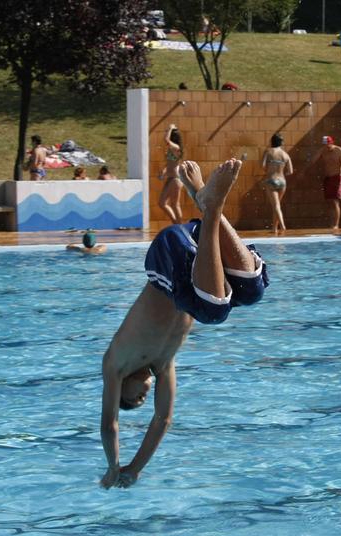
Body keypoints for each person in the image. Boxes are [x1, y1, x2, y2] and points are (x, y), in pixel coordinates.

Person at [100, 158, 269, 489]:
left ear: (123, 388)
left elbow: (110, 425)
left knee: (213, 312)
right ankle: (208, 206)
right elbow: (163, 419)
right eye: (141, 402)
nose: (142, 397)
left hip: (165, 261)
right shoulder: (163, 364)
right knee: (251, 289)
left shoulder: (114, 365)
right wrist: (134, 469)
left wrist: (112, 466)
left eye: (134, 399)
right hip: (193, 256)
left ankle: (211, 205)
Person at [261, 133, 293, 234]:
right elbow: (290, 171)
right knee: (277, 205)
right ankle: (274, 228)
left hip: (271, 180)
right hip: (282, 181)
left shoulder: (268, 151)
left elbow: (262, 165)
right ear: (281, 143)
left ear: (272, 142)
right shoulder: (285, 155)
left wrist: (269, 170)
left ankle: (283, 226)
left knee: (276, 206)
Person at [317, 135, 341, 229]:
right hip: (328, 178)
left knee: (335, 202)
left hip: (338, 178)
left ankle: (336, 225)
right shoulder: (323, 151)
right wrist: (303, 171)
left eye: (327, 145)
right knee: (329, 202)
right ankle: (331, 224)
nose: (326, 147)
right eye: (324, 145)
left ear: (332, 142)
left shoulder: (340, 151)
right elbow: (312, 160)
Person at [158, 125, 184, 224]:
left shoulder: (176, 148)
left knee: (175, 204)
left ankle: (179, 225)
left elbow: (166, 139)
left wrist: (170, 128)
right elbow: (170, 163)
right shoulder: (171, 149)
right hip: (170, 178)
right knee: (162, 203)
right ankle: (176, 223)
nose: (166, 133)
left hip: (176, 179)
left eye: (168, 132)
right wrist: (164, 171)